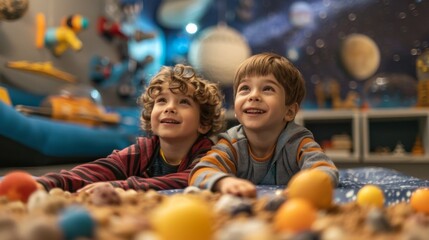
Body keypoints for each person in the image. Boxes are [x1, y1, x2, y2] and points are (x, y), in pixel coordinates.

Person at [37, 64, 225, 192]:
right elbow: (100, 169)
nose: (169, 108)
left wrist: (121, 187)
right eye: (161, 101)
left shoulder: (208, 156)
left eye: (184, 102)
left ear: (203, 123)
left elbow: (189, 179)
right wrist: (50, 183)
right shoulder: (143, 152)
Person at [189, 52, 339, 198]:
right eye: (245, 88)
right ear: (235, 109)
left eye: (268, 89)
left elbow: (324, 169)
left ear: (289, 111)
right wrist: (223, 182)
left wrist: (307, 187)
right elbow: (201, 171)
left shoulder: (297, 142)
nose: (253, 96)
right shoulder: (231, 144)